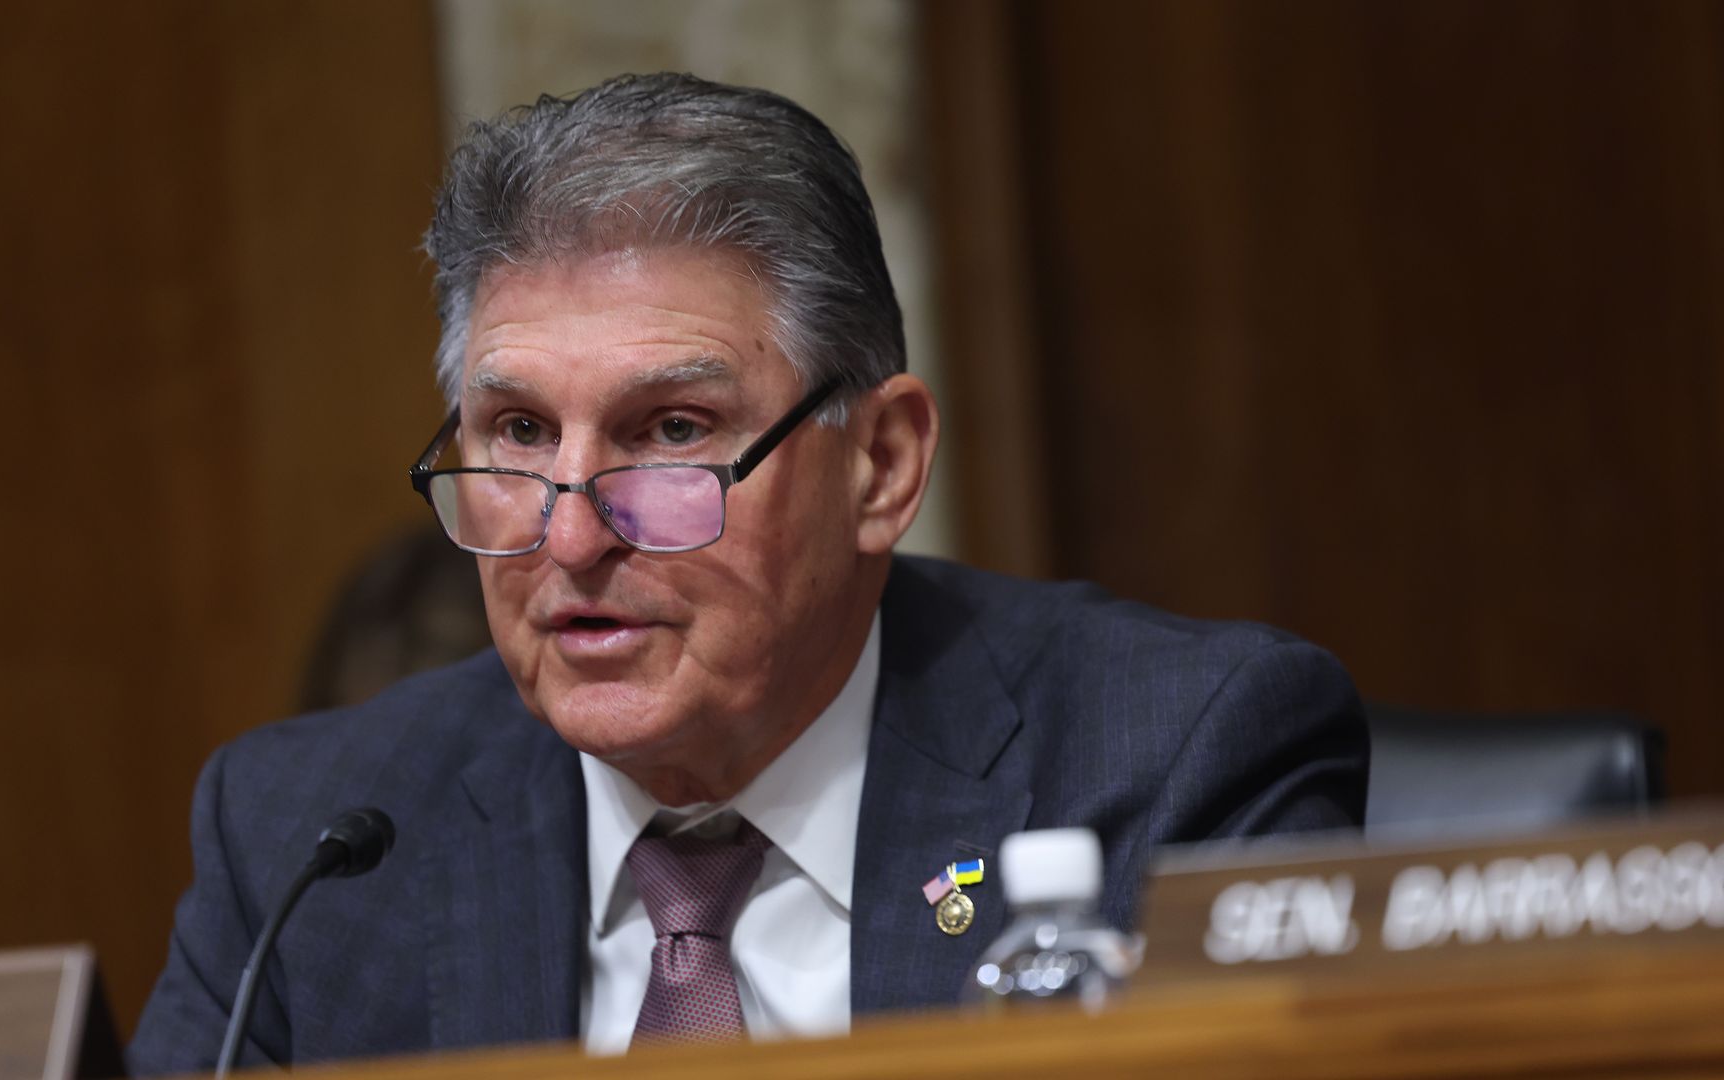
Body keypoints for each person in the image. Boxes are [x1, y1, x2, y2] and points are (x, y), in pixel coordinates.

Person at [126, 72, 1367, 1075]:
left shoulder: (1175, 765)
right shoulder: (308, 840)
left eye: (672, 431)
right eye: (515, 435)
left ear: (881, 463)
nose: (569, 538)